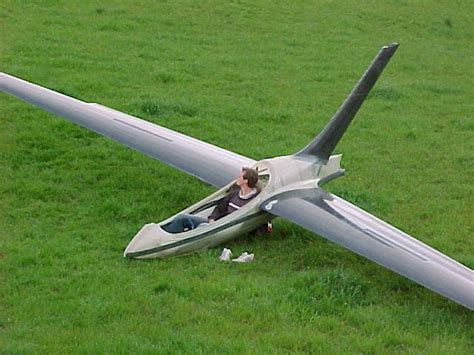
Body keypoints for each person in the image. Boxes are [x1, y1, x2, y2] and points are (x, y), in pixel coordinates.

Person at [164, 167, 259, 233]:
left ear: (246, 181)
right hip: (216, 224)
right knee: (183, 217)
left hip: (226, 229)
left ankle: (184, 237)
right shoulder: (234, 194)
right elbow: (220, 208)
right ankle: (165, 235)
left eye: (240, 177)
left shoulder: (253, 200)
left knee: (202, 227)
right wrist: (212, 218)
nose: (237, 178)